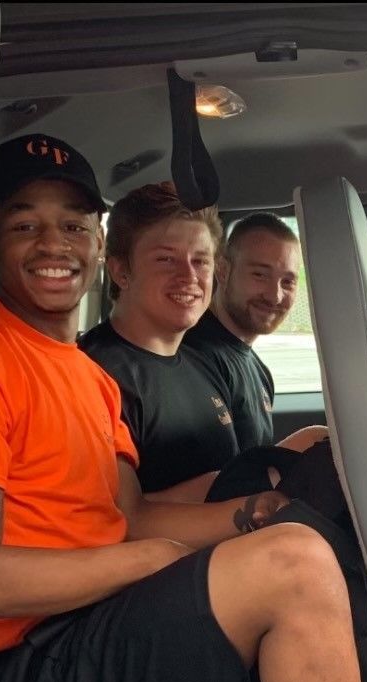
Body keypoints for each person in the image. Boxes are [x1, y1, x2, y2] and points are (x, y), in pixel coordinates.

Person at [0, 135, 367, 682]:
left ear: (98, 246)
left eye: (74, 225)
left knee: (304, 533)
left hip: (92, 622)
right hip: (29, 665)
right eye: (24, 224)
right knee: (294, 567)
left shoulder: (85, 375)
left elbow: (128, 514)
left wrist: (259, 508)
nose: (54, 243)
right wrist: (152, 562)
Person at [78, 182, 236, 502]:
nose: (189, 277)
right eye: (166, 259)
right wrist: (253, 500)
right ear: (121, 271)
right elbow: (114, 521)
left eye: (201, 261)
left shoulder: (203, 364)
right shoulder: (92, 372)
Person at [183, 212, 325, 454]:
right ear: (223, 271)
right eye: (260, 275)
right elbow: (217, 484)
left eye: (288, 282)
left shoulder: (259, 371)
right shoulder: (192, 356)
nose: (275, 296)